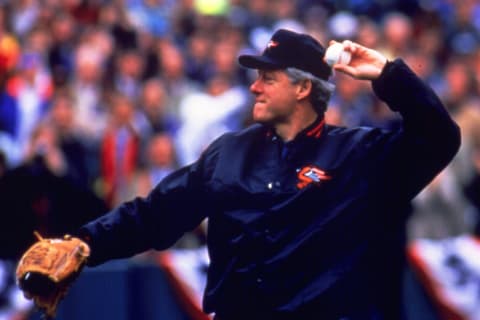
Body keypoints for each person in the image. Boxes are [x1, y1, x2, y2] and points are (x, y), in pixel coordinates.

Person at [74, 29, 460, 319]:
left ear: (303, 88)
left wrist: (388, 75)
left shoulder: (356, 155)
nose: (255, 87)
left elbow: (439, 138)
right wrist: (85, 244)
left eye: (268, 79)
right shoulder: (228, 152)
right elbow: (154, 214)